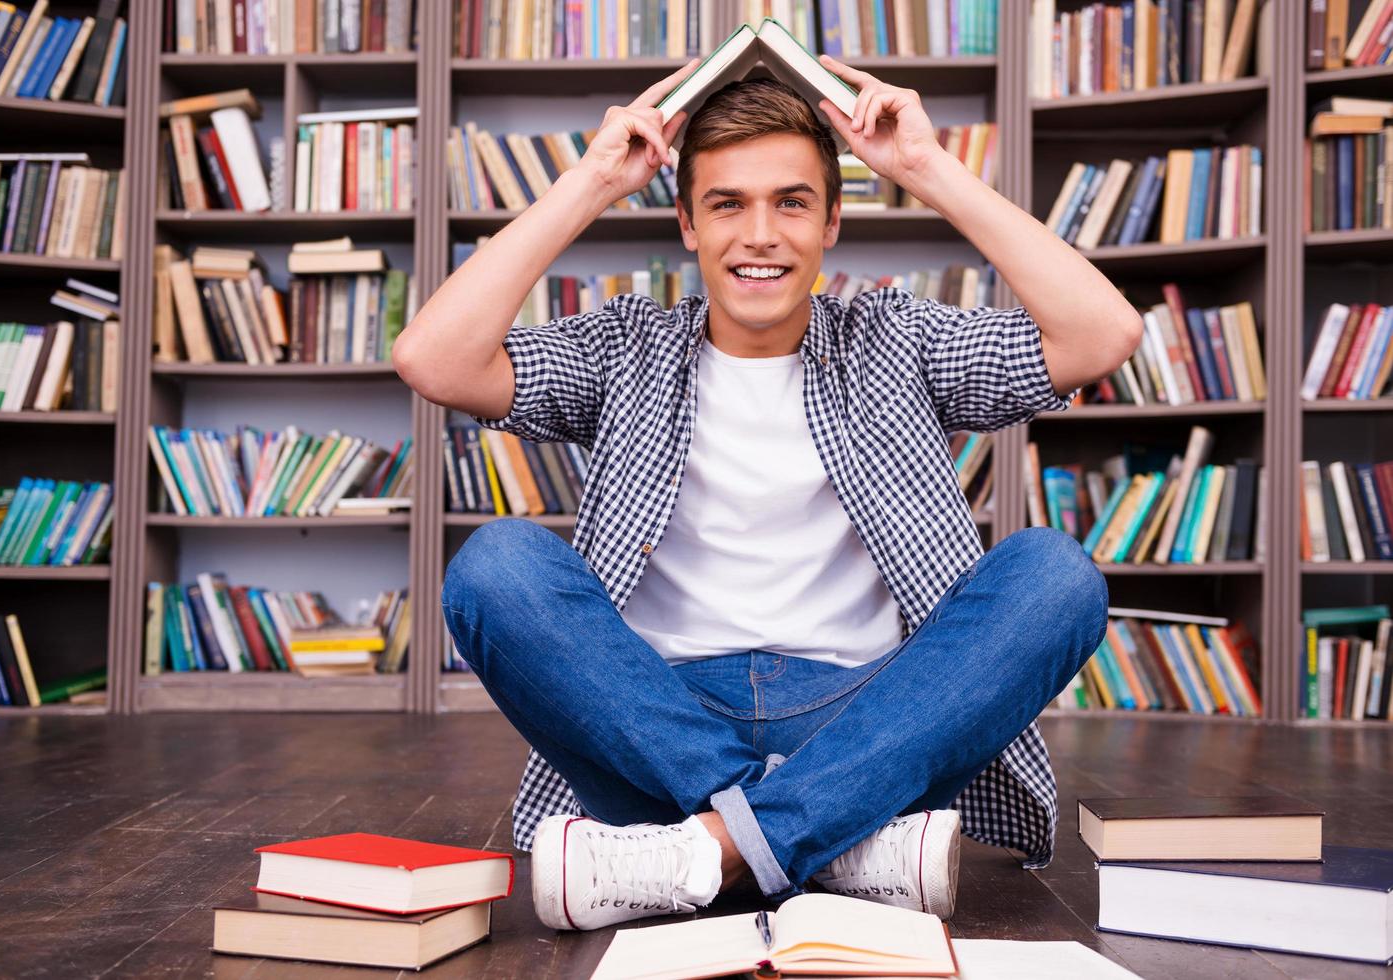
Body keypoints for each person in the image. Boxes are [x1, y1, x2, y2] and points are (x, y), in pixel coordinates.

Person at [393, 55, 1140, 932]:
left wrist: (928, 171)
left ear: (830, 222)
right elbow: (432, 361)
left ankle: (705, 853)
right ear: (685, 223)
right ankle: (830, 842)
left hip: (867, 721)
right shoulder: (628, 348)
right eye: (726, 204)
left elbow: (1102, 335)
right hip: (655, 724)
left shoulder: (894, 336)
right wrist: (594, 179)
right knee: (496, 567)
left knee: (1055, 576)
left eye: (790, 202)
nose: (760, 234)